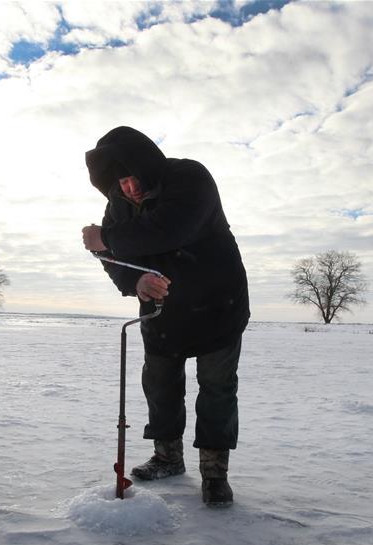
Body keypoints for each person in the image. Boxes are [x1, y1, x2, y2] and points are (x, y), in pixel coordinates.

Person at [81, 126, 250, 506]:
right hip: (163, 312)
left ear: (148, 164)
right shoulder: (119, 203)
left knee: (217, 388)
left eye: (132, 176)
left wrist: (105, 238)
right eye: (120, 181)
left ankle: (214, 473)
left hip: (217, 304)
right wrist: (135, 280)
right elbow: (115, 259)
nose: (129, 188)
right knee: (160, 385)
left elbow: (168, 230)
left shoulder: (190, 178)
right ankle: (168, 456)